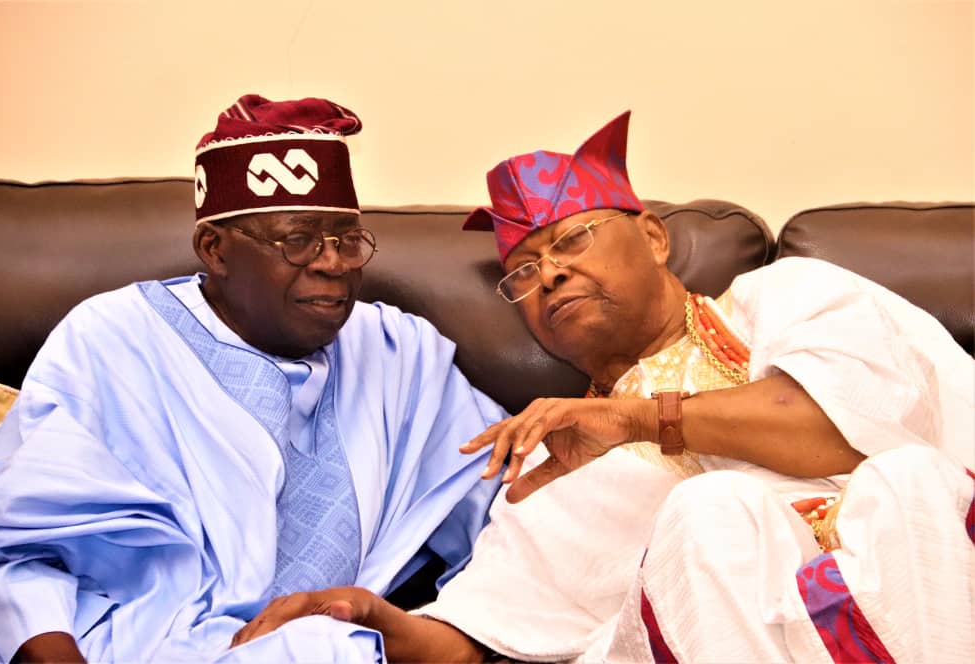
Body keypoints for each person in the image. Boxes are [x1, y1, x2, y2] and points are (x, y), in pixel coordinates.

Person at [227, 111, 974, 663]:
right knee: (711, 513)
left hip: (924, 579)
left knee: (907, 482)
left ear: (652, 237)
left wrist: (639, 421)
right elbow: (483, 637)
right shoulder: (555, 462)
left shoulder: (790, 295)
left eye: (572, 240)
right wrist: (376, 617)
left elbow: (842, 427)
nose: (548, 273)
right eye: (524, 272)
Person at [0, 95, 508, 663]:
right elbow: (13, 551)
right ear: (216, 251)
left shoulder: (398, 353)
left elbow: (509, 506)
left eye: (347, 240)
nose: (334, 263)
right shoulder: (114, 338)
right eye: (299, 240)